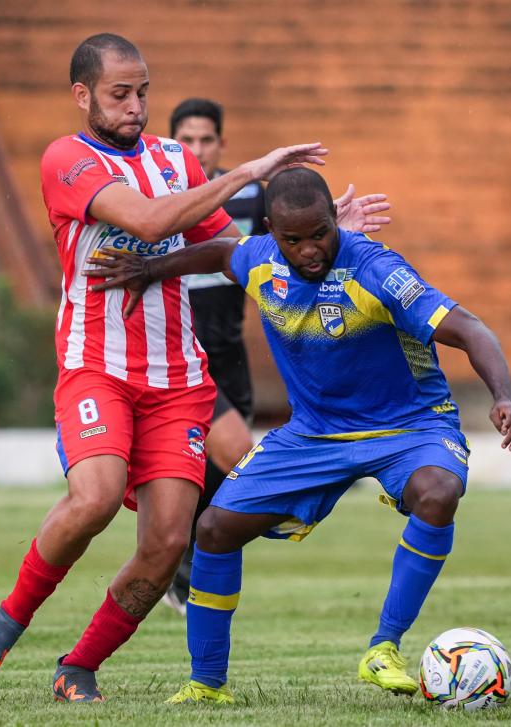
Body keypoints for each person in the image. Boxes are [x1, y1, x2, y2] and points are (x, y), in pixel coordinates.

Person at [0, 32, 331, 703]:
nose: (136, 107)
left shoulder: (175, 159)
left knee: (164, 543)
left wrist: (311, 246)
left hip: (179, 383)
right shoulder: (67, 159)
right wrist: (248, 171)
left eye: (143, 93)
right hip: (95, 368)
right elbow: (152, 221)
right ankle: (8, 619)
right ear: (83, 95)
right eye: (120, 94)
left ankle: (78, 666)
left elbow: (227, 249)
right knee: (95, 497)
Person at [86, 166, 511, 704]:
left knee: (437, 493)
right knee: (216, 529)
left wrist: (502, 395)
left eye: (320, 233)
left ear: (332, 221)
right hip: (314, 435)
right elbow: (222, 254)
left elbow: (470, 328)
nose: (309, 249)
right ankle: (206, 684)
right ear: (272, 230)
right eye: (293, 239)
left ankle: (383, 647)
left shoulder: (376, 269)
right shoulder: (262, 259)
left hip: (410, 424)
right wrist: (153, 268)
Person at [161, 98, 391, 613]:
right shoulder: (156, 202)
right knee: (236, 451)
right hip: (180, 354)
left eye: (205, 140)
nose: (196, 149)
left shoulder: (248, 199)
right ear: (170, 144)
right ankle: (201, 551)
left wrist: (338, 237)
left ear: (221, 144)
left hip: (229, 355)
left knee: (218, 469)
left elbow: (294, 264)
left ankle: (186, 562)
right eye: (186, 141)